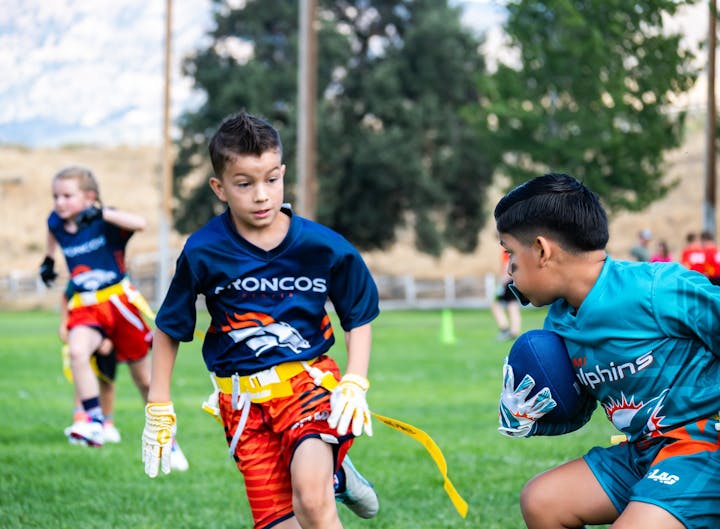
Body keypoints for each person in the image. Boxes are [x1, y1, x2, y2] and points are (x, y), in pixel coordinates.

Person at [141, 111, 380, 528]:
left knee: (310, 499)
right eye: (244, 184)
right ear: (219, 187)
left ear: (283, 174)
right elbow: (170, 328)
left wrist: (355, 381)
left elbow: (358, 312)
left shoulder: (322, 245)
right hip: (243, 406)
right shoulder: (203, 251)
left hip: (307, 387)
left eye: (271, 179)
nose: (262, 195)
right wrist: (158, 405)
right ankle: (335, 473)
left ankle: (326, 472)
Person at [494, 172, 720, 529]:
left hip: (706, 445)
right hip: (644, 452)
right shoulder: (559, 324)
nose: (509, 269)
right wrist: (529, 418)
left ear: (541, 250)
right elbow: (579, 408)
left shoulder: (656, 290)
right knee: (542, 501)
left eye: (511, 253)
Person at [39, 165, 188, 475]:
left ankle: (167, 440)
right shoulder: (56, 221)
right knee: (78, 352)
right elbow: (51, 237)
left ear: (89, 197)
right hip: (86, 305)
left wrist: (101, 212)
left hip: (119, 302)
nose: (59, 202)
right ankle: (93, 421)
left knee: (145, 381)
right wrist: (48, 260)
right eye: (56, 196)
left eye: (67, 196)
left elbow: (141, 223)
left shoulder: (105, 221)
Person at [490, 249, 521, 340]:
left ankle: (504, 329)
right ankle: (514, 331)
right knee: (512, 305)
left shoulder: (507, 248)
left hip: (507, 281)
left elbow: (508, 266)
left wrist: (501, 283)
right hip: (514, 280)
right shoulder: (513, 247)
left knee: (495, 304)